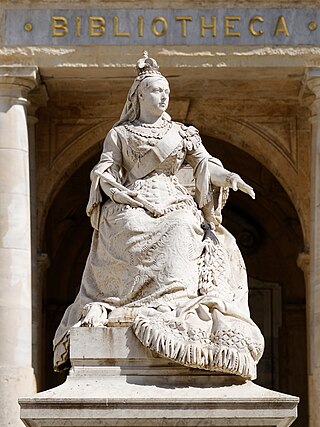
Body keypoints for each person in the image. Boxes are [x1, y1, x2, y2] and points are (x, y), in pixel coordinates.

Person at [53, 52, 264, 379]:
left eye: (166, 90)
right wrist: (113, 188)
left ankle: (173, 303)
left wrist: (229, 178)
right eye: (155, 91)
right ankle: (127, 303)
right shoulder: (120, 134)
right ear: (139, 96)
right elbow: (107, 168)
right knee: (128, 222)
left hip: (174, 199)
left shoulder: (183, 133)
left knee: (181, 226)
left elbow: (204, 164)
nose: (163, 96)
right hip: (133, 199)